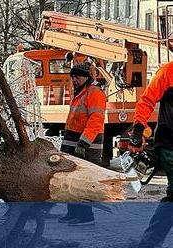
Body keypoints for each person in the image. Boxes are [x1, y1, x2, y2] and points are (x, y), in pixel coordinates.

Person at [128, 61, 173, 248]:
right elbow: (147, 100)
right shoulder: (168, 71)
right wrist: (138, 129)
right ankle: (148, 243)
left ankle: (148, 243)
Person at [59, 61, 106, 226]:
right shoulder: (81, 93)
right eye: (73, 77)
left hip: (87, 147)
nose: (74, 80)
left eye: (77, 77)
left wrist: (83, 144)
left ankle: (86, 216)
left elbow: (96, 121)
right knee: (72, 180)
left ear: (86, 77)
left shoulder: (94, 93)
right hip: (74, 145)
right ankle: (73, 212)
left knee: (84, 182)